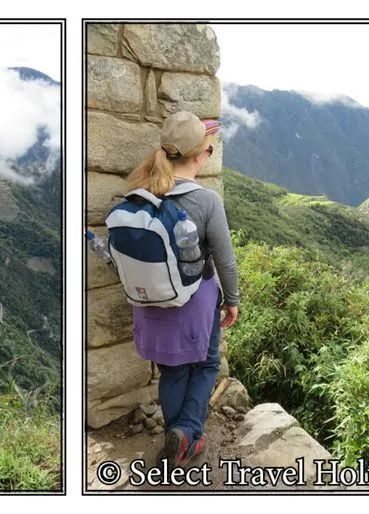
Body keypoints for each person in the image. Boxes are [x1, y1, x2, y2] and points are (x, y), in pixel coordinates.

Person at [122, 111, 242, 465]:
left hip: (150, 302)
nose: (209, 154)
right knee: (206, 365)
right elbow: (225, 261)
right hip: (195, 303)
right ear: (199, 156)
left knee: (172, 370)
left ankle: (176, 435)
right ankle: (188, 431)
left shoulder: (140, 194)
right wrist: (232, 301)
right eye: (209, 150)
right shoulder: (205, 201)